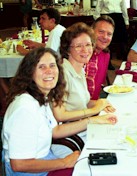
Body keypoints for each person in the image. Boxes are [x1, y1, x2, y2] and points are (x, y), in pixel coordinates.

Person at [1, 47, 117, 175]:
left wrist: (93, 120)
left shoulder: (40, 97)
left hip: (44, 158)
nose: (49, 71)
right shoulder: (25, 109)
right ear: (30, 72)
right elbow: (19, 164)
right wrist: (64, 162)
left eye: (52, 65)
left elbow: (55, 131)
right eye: (41, 67)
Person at [51, 22, 116, 158]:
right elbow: (60, 115)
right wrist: (94, 111)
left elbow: (80, 102)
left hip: (80, 128)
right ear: (68, 49)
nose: (85, 50)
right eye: (78, 46)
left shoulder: (79, 70)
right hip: (68, 138)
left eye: (88, 45)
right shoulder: (62, 74)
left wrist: (101, 102)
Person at [85, 15, 114, 100]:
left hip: (94, 104)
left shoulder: (105, 55)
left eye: (109, 34)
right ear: (91, 31)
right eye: (101, 32)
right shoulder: (81, 54)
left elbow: (97, 87)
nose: (105, 37)